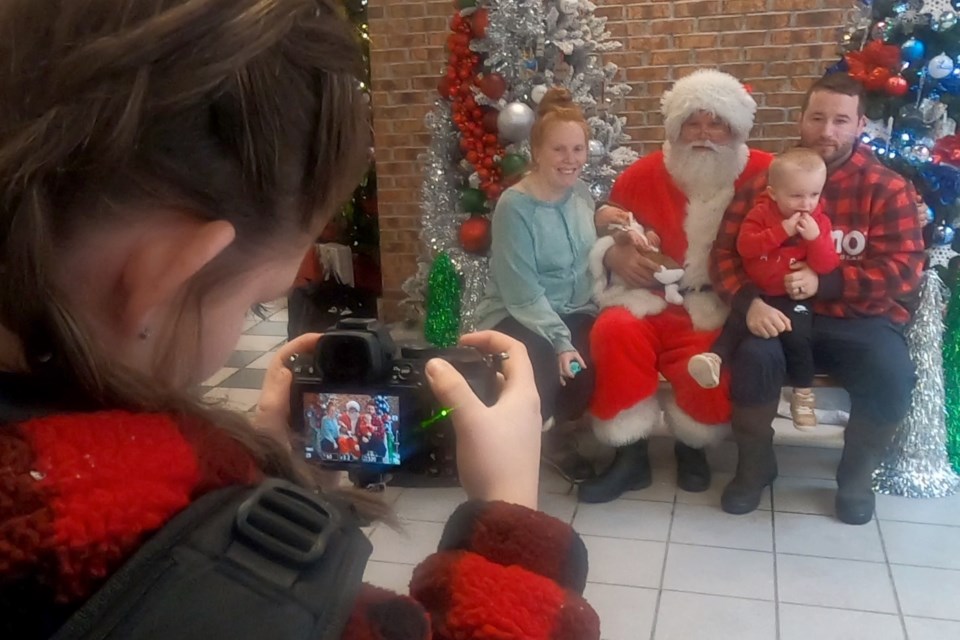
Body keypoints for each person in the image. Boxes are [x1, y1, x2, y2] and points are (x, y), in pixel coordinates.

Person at [0, 1, 600, 638]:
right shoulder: (199, 588)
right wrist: (508, 512)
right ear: (163, 277)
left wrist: (265, 484)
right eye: (258, 301)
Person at [711, 72, 925, 525]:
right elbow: (725, 256)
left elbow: (904, 270)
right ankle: (755, 467)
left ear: (860, 124)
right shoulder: (767, 183)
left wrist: (826, 283)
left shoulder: (887, 189)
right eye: (818, 117)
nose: (828, 131)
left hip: (857, 319)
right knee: (753, 358)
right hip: (778, 312)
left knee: (893, 372)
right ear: (802, 119)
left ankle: (855, 477)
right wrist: (750, 303)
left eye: (841, 120)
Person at [578, 69, 773, 504]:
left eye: (716, 123)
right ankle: (629, 455)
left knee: (711, 355)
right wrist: (613, 254)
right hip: (646, 298)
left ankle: (693, 447)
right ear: (675, 127)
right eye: (692, 123)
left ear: (736, 128)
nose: (704, 134)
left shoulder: (765, 173)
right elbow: (606, 228)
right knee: (613, 332)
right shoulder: (641, 174)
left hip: (715, 301)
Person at [475, 87, 598, 481]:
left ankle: (563, 436)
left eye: (578, 149)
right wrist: (561, 341)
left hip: (574, 308)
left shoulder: (581, 194)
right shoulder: (515, 207)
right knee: (542, 361)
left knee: (599, 349)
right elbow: (521, 291)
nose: (570, 160)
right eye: (559, 149)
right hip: (518, 313)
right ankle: (518, 448)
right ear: (537, 151)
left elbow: (587, 259)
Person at [688, 147, 839, 430]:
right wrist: (782, 230)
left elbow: (827, 263)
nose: (806, 204)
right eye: (796, 196)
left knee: (800, 340)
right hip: (757, 293)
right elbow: (745, 247)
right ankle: (713, 360)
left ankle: (803, 395)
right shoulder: (760, 214)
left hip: (792, 296)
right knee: (734, 325)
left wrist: (816, 240)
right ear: (773, 193)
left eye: (814, 195)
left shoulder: (819, 222)